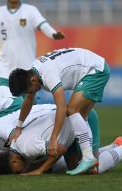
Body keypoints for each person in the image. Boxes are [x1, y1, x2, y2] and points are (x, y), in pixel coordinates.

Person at [8, 47, 110, 175]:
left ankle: (88, 157)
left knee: (72, 110)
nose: (31, 94)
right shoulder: (32, 72)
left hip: (95, 70)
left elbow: (61, 107)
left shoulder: (48, 74)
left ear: (33, 81)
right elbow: (28, 101)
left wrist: (53, 138)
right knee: (81, 117)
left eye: (29, 90)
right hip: (93, 67)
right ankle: (91, 157)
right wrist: (18, 127)